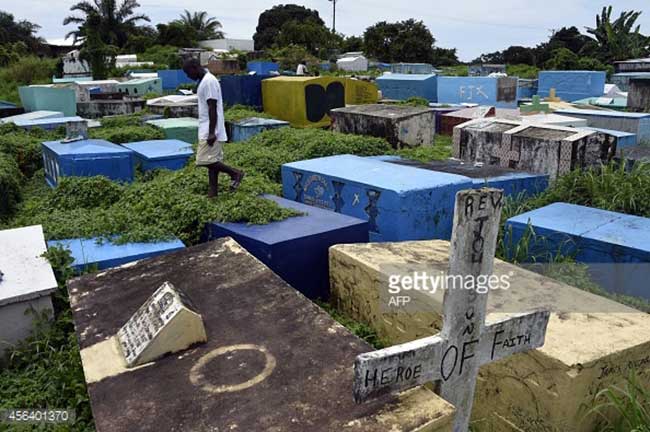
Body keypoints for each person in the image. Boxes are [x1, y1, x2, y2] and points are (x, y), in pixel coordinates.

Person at [182, 58, 244, 198]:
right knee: (212, 164)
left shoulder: (209, 81)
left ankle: (235, 173)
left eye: (188, 73)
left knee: (203, 160)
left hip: (210, 129)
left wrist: (211, 132)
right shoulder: (205, 80)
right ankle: (213, 194)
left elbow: (212, 107)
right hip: (208, 127)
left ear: (194, 67)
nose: (188, 76)